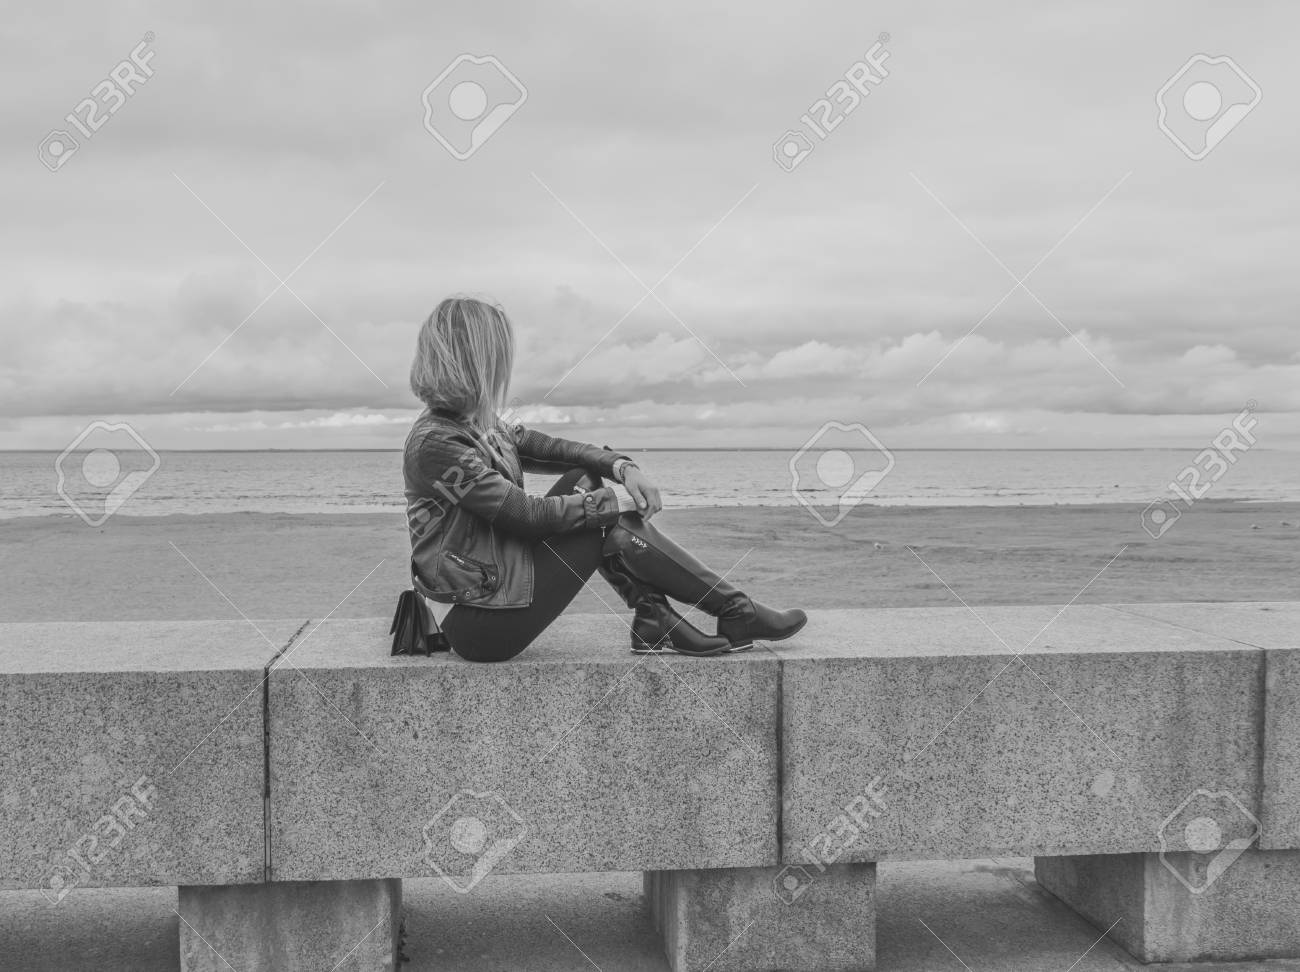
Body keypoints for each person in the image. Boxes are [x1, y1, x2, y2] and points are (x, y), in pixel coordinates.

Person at [403, 295, 807, 663]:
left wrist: (622, 468)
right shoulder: (437, 443)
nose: (505, 367)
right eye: (499, 355)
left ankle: (662, 616)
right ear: (475, 359)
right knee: (600, 518)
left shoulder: (480, 422)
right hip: (476, 620)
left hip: (496, 587)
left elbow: (552, 448)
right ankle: (727, 612)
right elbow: (525, 515)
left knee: (586, 478)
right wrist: (620, 503)